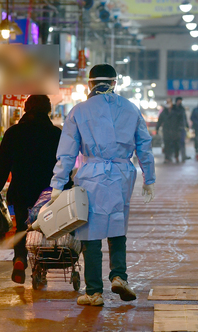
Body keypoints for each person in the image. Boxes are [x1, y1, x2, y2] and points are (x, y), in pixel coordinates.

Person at [50, 64, 156, 306]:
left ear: (89, 84)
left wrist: (58, 184)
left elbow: (66, 152)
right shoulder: (131, 109)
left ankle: (94, 292)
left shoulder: (79, 111)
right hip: (122, 173)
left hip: (91, 175)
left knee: (90, 232)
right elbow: (144, 146)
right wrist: (149, 179)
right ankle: (119, 276)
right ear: (114, 83)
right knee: (117, 225)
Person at [0, 95, 63, 284]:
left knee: (22, 226)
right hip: (48, 192)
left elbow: (2, 166)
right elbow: (64, 164)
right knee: (46, 228)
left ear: (26, 108)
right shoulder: (56, 134)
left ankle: (20, 258)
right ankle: (40, 266)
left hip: (21, 190)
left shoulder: (14, 132)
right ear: (48, 110)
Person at [156, 98, 176, 164]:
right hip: (166, 131)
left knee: (172, 144)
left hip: (174, 131)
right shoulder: (163, 112)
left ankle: (171, 156)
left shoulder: (175, 111)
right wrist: (157, 129)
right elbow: (159, 121)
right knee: (166, 144)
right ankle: (167, 158)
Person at [171, 97, 191, 162]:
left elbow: (184, 118)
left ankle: (183, 156)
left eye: (180, 101)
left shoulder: (182, 109)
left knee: (182, 143)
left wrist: (187, 126)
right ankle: (176, 157)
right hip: (175, 129)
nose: (179, 102)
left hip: (182, 128)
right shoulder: (173, 108)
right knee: (176, 143)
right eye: (178, 101)